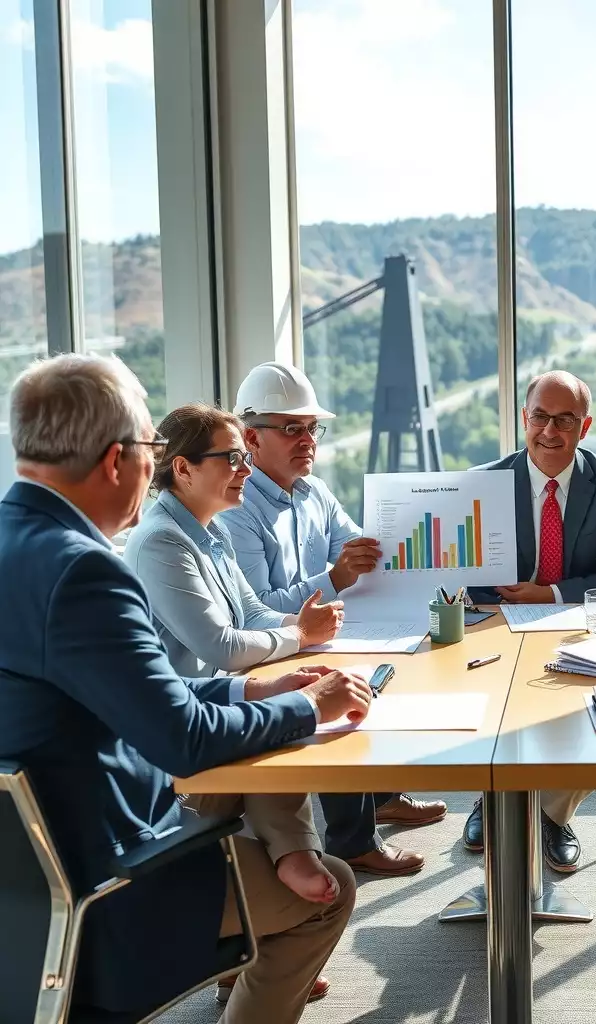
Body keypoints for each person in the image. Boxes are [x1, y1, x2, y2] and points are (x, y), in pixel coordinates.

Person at [0, 354, 375, 1023]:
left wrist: (255, 695)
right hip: (106, 878)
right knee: (332, 892)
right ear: (118, 461)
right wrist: (307, 707)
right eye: (150, 448)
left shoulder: (16, 544)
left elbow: (153, 692)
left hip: (22, 878)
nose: (154, 467)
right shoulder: (85, 573)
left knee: (262, 789)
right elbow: (181, 739)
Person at [124, 402, 347, 1004]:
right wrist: (299, 638)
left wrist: (306, 628)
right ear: (183, 469)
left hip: (212, 709)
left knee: (282, 704)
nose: (246, 469)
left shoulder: (211, 527)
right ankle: (290, 863)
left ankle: (279, 887)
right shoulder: (159, 543)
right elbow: (220, 646)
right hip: (181, 742)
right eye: (233, 458)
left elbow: (250, 615)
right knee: (279, 726)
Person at [220, 362, 445, 876]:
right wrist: (336, 577)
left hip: (322, 634)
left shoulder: (312, 491)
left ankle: (380, 794)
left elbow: (360, 544)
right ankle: (352, 839)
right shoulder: (238, 508)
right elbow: (258, 607)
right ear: (252, 438)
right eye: (291, 429)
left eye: (311, 428)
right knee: (345, 682)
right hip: (273, 649)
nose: (307, 441)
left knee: (400, 666)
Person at [463, 370, 596, 872]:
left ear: (584, 428)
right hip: (499, 626)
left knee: (587, 712)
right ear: (525, 419)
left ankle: (552, 813)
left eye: (564, 420)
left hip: (578, 624)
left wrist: (549, 594)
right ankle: (490, 799)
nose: (550, 431)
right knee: (493, 707)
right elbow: (463, 577)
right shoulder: (485, 482)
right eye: (540, 417)